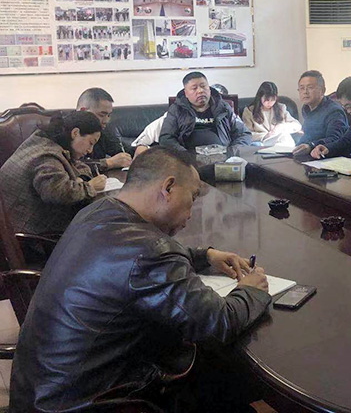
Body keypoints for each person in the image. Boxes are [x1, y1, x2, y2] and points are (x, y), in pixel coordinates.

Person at [9, 147, 271, 412]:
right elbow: (219, 322)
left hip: (37, 393)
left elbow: (129, 261)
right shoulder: (150, 252)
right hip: (88, 403)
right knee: (221, 379)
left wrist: (205, 256)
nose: (191, 213)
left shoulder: (97, 210)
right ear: (168, 188)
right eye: (192, 198)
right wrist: (251, 290)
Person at [0, 112, 107, 235]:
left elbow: (78, 165)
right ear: (75, 133)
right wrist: (90, 187)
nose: (90, 150)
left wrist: (79, 180)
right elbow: (58, 193)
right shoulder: (46, 156)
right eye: (91, 143)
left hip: (21, 225)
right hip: (30, 236)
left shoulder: (43, 141)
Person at [160, 72, 252, 152]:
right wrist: (184, 155)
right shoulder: (177, 109)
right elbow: (166, 138)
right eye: (194, 88)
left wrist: (232, 152)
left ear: (209, 89)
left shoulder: (223, 107)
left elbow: (244, 134)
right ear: (186, 93)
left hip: (222, 157)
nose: (200, 91)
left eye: (203, 86)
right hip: (188, 159)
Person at [292, 70, 348, 156]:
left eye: (310, 87)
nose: (305, 92)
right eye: (302, 88)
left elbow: (335, 139)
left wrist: (311, 145)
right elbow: (308, 135)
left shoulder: (334, 111)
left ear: (322, 90)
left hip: (327, 156)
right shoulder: (306, 108)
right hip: (310, 154)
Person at [77, 87, 132, 171]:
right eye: (102, 115)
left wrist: (142, 148)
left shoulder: (103, 130)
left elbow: (123, 151)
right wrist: (108, 163)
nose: (106, 121)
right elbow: (70, 166)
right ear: (83, 111)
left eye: (109, 115)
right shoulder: (63, 130)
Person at [242, 81, 302, 147]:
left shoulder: (281, 108)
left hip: (280, 140)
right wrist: (265, 135)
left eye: (273, 100)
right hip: (262, 142)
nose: (270, 103)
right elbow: (247, 134)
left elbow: (297, 125)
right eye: (267, 100)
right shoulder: (249, 111)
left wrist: (281, 127)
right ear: (260, 97)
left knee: (285, 139)